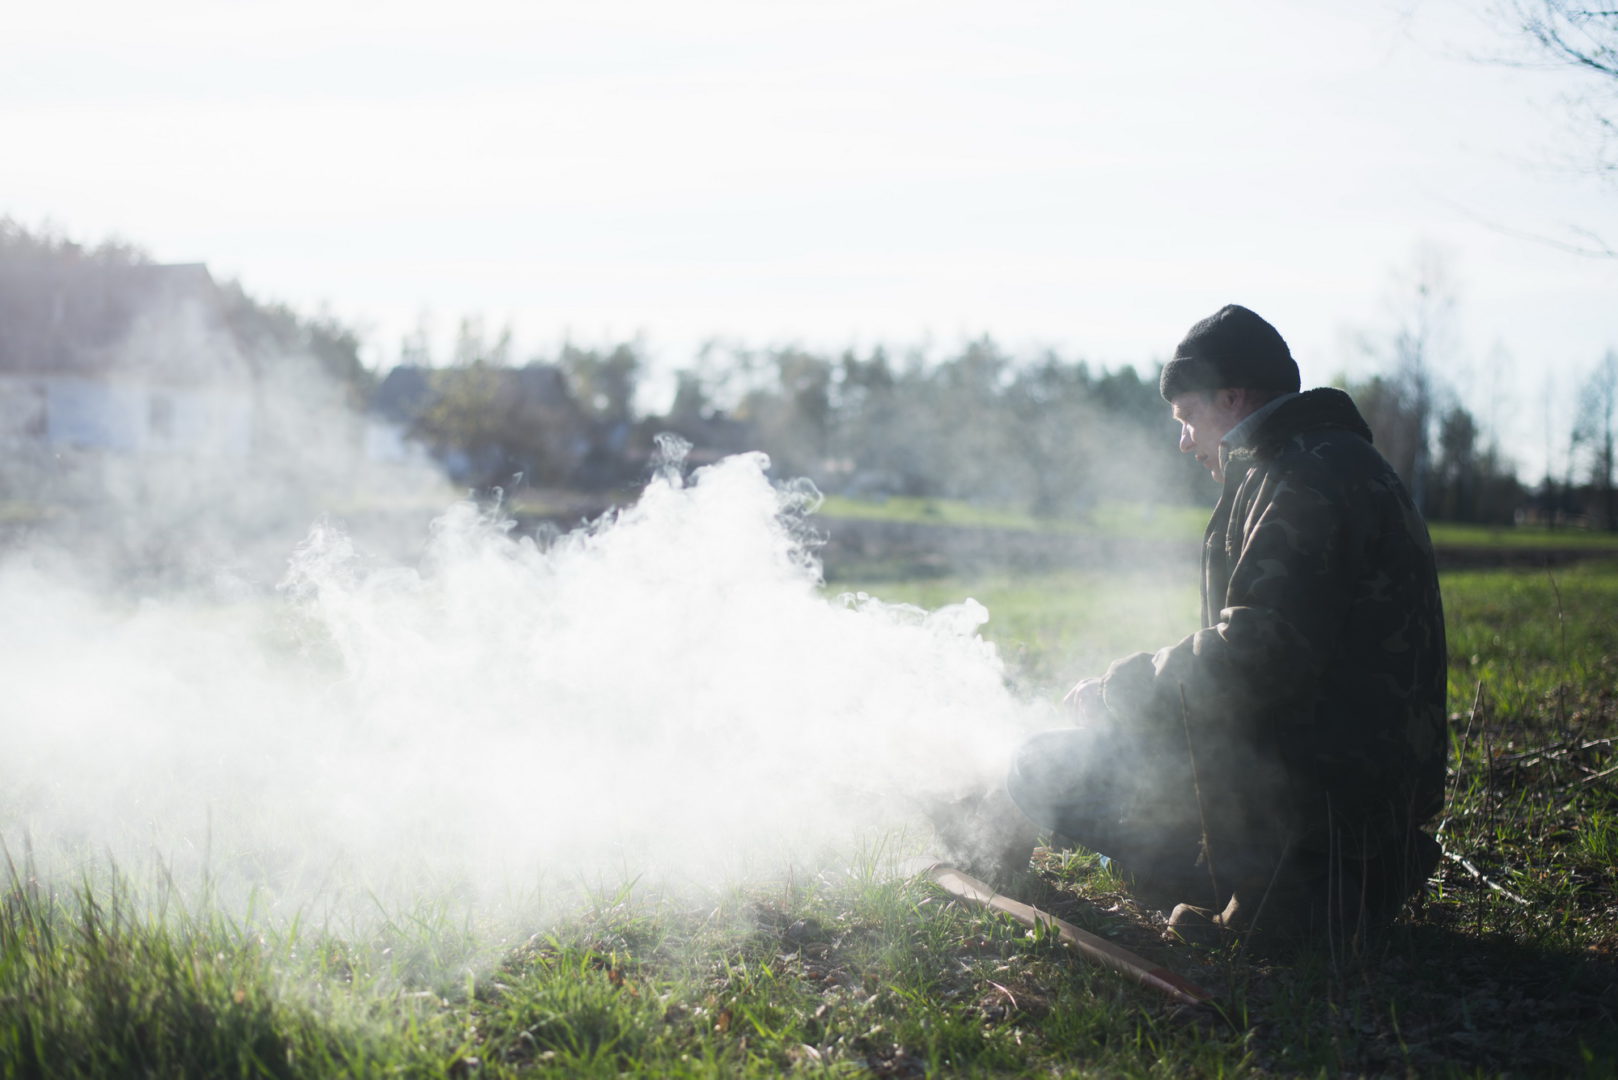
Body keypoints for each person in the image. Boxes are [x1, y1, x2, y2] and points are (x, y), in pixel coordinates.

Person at [1005, 303, 1447, 947]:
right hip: (1355, 817)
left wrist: (1115, 695)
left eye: (1187, 417)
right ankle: (1264, 882)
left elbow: (1256, 653)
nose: (1184, 441)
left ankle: (1289, 901)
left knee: (1039, 766)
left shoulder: (1301, 478)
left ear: (1233, 398)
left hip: (1324, 827)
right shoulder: (1323, 460)